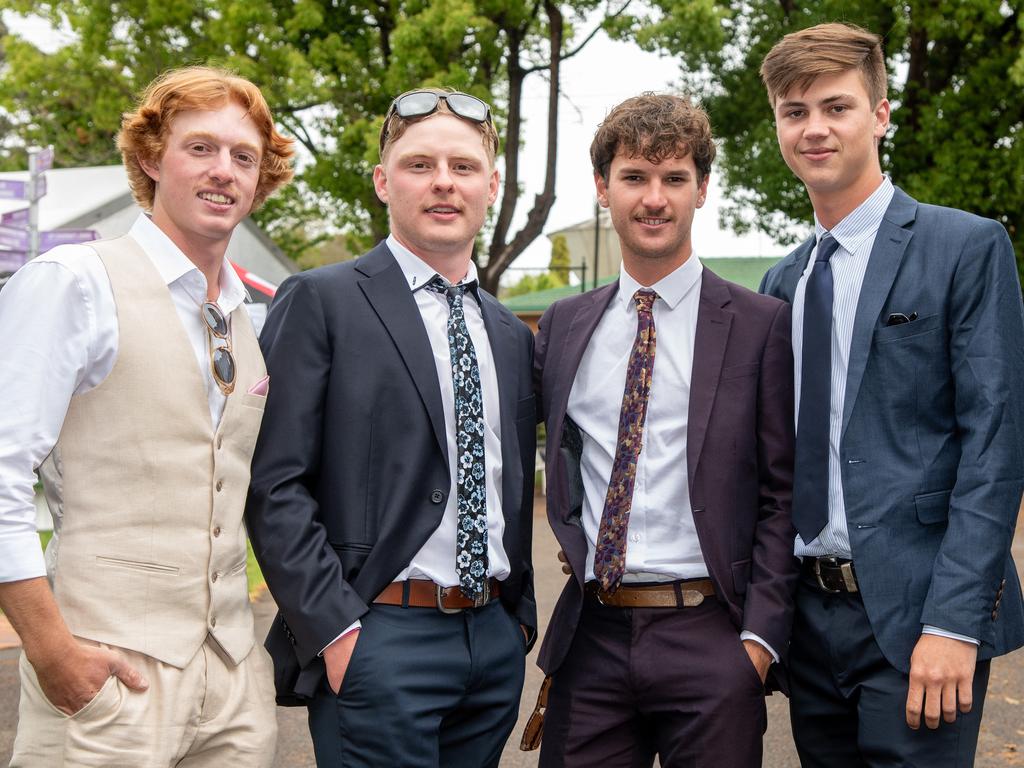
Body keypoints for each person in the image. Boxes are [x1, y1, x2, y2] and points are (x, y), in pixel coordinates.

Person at [0, 66, 294, 766]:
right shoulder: (75, 282)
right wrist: (53, 654)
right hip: (106, 674)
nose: (224, 171)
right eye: (201, 148)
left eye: (243, 156)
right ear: (151, 157)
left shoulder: (247, 316)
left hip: (233, 682)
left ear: (260, 179)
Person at [245, 87, 537, 768]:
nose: (443, 181)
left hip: (491, 640)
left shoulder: (509, 333)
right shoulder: (322, 301)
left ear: (491, 186)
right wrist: (337, 630)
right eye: (419, 164)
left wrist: (514, 621)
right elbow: (275, 481)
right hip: (378, 636)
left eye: (464, 167)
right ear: (382, 180)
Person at [758, 22, 1024, 767]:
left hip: (918, 623)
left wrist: (953, 623)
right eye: (794, 110)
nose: (814, 128)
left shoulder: (964, 247)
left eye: (836, 107)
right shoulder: (784, 282)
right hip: (811, 626)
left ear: (879, 114)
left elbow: (994, 447)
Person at [526, 93, 799, 768]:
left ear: (701, 189)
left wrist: (759, 640)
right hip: (592, 633)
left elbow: (784, 493)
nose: (655, 198)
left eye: (675, 178)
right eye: (634, 177)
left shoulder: (762, 324)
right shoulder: (563, 325)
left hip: (711, 635)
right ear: (602, 188)